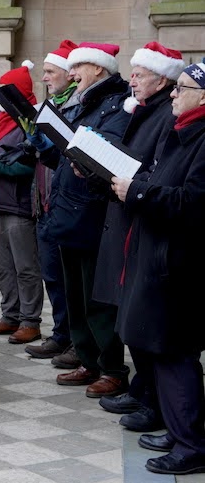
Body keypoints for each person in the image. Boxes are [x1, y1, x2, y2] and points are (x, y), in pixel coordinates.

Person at [111, 62, 205, 476]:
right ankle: (176, 426)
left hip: (179, 265)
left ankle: (191, 444)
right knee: (161, 351)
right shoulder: (183, 129)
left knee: (174, 354)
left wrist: (140, 191)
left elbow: (193, 204)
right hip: (159, 256)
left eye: (181, 88)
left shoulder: (201, 138)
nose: (172, 94)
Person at [33, 42, 131, 399]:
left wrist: (80, 147)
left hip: (92, 214)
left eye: (78, 68)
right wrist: (46, 143)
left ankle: (112, 368)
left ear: (99, 70)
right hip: (68, 212)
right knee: (75, 294)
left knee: (97, 297)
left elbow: (111, 149)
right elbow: (65, 155)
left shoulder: (116, 104)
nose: (71, 74)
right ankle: (88, 358)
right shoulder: (86, 103)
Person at [92, 42, 181, 432]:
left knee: (141, 316)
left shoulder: (165, 114)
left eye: (140, 74)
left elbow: (157, 169)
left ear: (162, 78)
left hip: (141, 218)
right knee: (127, 311)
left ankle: (150, 399)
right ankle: (143, 389)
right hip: (126, 210)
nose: (132, 79)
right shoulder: (143, 108)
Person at [0, 61, 43, 344]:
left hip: (19, 205)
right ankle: (10, 315)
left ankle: (31, 321)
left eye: (6, 90)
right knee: (2, 265)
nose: (0, 96)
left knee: (25, 267)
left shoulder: (30, 121)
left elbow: (29, 167)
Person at [24, 39, 79, 367]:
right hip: (44, 204)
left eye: (49, 72)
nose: (44, 78)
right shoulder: (51, 106)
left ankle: (77, 341)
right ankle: (61, 333)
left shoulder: (74, 106)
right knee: (53, 277)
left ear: (70, 74)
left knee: (72, 279)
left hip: (67, 206)